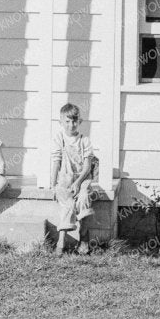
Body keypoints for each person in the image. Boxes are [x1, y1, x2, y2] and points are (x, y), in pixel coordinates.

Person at [49, 102, 105, 254]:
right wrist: (52, 184)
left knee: (84, 199)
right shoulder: (58, 139)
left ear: (79, 122)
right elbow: (56, 162)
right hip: (65, 179)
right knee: (67, 204)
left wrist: (78, 182)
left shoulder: (84, 140)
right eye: (67, 121)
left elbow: (87, 167)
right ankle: (61, 240)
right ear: (61, 122)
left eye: (74, 121)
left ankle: (84, 237)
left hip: (82, 178)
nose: (71, 125)